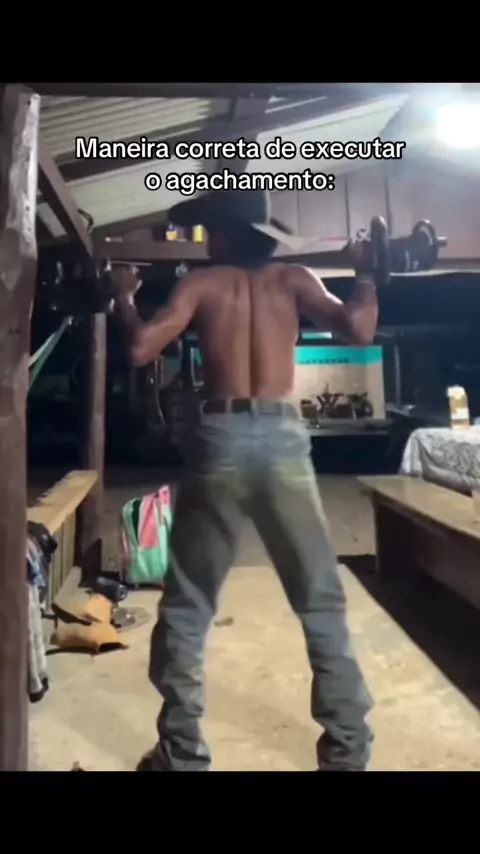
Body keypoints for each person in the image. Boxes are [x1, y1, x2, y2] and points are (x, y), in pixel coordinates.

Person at [112, 189, 377, 772]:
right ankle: (347, 755)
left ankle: (181, 756)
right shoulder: (296, 279)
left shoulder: (203, 285)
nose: (205, 240)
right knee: (321, 602)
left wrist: (124, 296)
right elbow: (359, 331)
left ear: (227, 233)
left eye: (209, 229)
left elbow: (138, 349)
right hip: (283, 438)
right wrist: (366, 275)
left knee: (189, 604)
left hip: (221, 438)